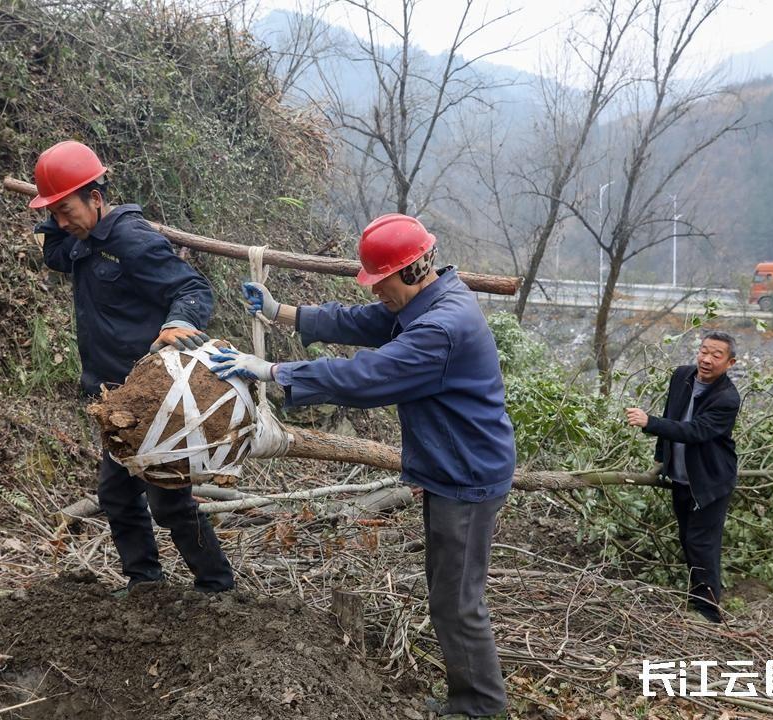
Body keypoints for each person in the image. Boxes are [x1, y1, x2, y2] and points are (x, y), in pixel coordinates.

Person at [210, 214, 515, 719]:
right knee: (448, 594)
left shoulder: (441, 328)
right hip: (453, 467)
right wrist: (283, 312)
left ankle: (481, 708)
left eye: (381, 283)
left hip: (467, 476)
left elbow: (363, 377)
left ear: (413, 271)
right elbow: (361, 322)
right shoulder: (429, 299)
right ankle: (472, 699)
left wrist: (270, 369)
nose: (377, 295)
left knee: (457, 602)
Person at [30, 139, 233, 594]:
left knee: (168, 504)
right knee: (117, 496)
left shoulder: (133, 241)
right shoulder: (81, 240)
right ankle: (145, 584)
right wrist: (55, 214)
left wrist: (179, 321)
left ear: (96, 198)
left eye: (68, 211)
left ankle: (217, 586)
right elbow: (54, 254)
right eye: (56, 215)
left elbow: (193, 289)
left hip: (152, 399)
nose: (63, 223)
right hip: (115, 400)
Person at [625, 331, 741, 623]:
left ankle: (708, 612)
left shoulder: (727, 398)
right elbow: (672, 413)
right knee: (688, 539)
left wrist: (649, 422)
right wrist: (660, 458)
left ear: (730, 363)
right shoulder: (682, 376)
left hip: (709, 481)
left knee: (702, 543)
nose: (707, 359)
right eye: (704, 351)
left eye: (716, 355)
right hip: (680, 477)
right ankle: (699, 597)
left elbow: (696, 431)